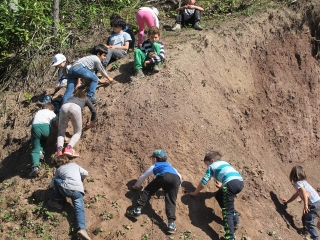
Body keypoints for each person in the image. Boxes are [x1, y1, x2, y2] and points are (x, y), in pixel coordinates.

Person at [189, 151, 244, 240]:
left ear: (212, 160)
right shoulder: (225, 163)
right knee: (219, 196)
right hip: (240, 182)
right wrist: (222, 186)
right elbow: (229, 176)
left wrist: (195, 193)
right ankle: (235, 220)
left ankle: (230, 238)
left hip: (230, 184)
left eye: (207, 164)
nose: (207, 166)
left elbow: (203, 182)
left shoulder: (212, 166)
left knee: (227, 212)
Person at [126, 149, 182, 234]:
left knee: (147, 191)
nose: (152, 160)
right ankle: (171, 225)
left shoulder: (156, 165)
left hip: (164, 176)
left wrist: (136, 186)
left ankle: (137, 211)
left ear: (155, 159)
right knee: (171, 201)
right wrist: (177, 186)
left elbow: (143, 176)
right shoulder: (169, 165)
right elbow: (179, 176)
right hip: (176, 180)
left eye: (152, 158)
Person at [48, 155, 91, 240]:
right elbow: (86, 173)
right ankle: (82, 229)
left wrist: (50, 186)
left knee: (57, 180)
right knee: (79, 209)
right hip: (79, 191)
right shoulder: (75, 165)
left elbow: (53, 184)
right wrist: (80, 179)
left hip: (67, 189)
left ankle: (58, 201)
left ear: (57, 164)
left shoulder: (59, 169)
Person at [282, 166, 320, 240]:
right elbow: (296, 195)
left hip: (314, 203)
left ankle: (316, 238)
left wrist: (305, 205)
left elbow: (304, 193)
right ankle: (305, 232)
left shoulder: (298, 183)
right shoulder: (303, 183)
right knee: (305, 217)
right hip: (317, 201)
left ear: (293, 175)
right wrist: (288, 201)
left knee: (309, 221)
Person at [55, 89, 97, 157]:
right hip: (75, 108)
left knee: (61, 133)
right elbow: (94, 111)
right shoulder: (85, 98)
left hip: (64, 107)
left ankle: (59, 151)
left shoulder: (70, 98)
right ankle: (68, 148)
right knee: (77, 132)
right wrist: (92, 121)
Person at [29, 103, 57, 177]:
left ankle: (35, 167)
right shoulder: (52, 113)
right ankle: (41, 152)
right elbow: (56, 121)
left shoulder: (38, 112)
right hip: (46, 128)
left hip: (35, 127)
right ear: (52, 109)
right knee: (45, 139)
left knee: (35, 148)